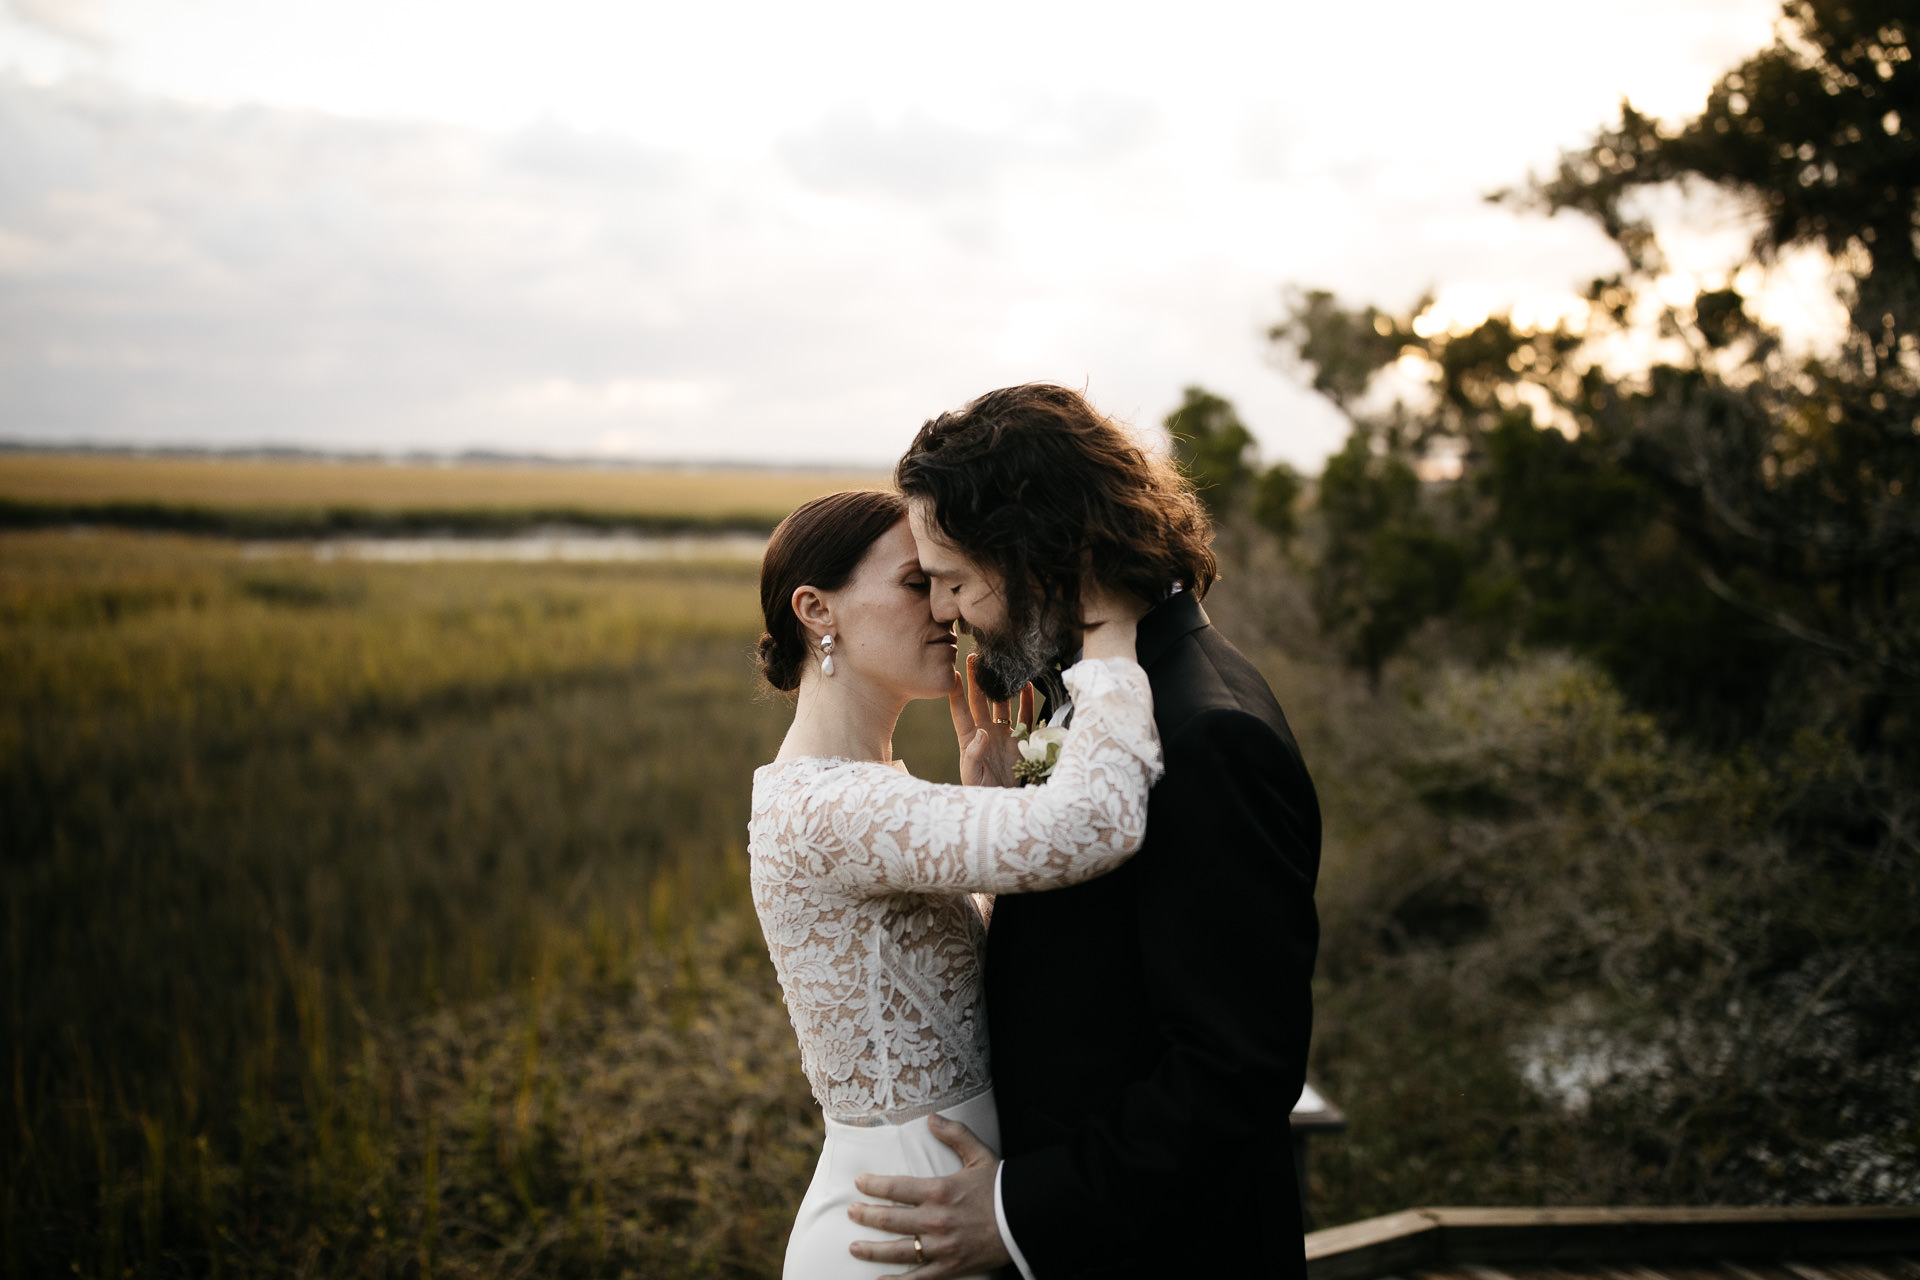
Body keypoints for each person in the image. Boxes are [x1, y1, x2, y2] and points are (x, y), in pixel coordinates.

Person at [845, 383, 1322, 1279]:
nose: (945, 611)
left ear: (1035, 552)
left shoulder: (1208, 733)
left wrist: (1017, 1212)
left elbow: (1235, 1072)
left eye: (954, 578)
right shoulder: (1120, 699)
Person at [748, 487, 1164, 1280]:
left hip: (944, 1216)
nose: (947, 609)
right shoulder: (830, 805)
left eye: (948, 581)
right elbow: (1095, 827)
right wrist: (1108, 640)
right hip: (893, 1236)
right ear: (816, 610)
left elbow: (929, 986)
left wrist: (990, 809)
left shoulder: (857, 784)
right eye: (916, 584)